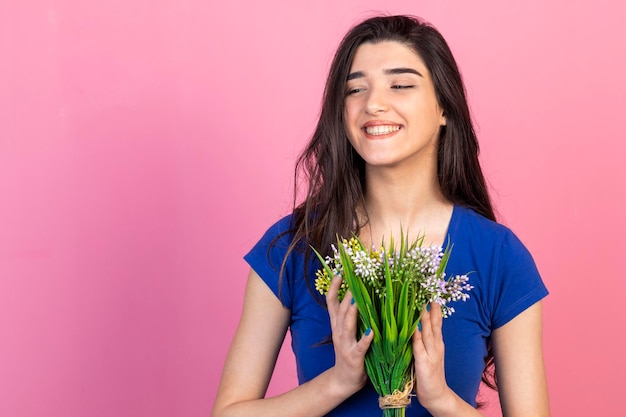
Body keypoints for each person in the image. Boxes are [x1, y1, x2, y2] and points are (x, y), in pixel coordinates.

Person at [212, 15, 549, 417]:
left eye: (401, 85)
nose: (373, 103)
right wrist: (337, 383)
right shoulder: (293, 246)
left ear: (445, 106)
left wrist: (440, 399)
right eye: (355, 89)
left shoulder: (499, 257)